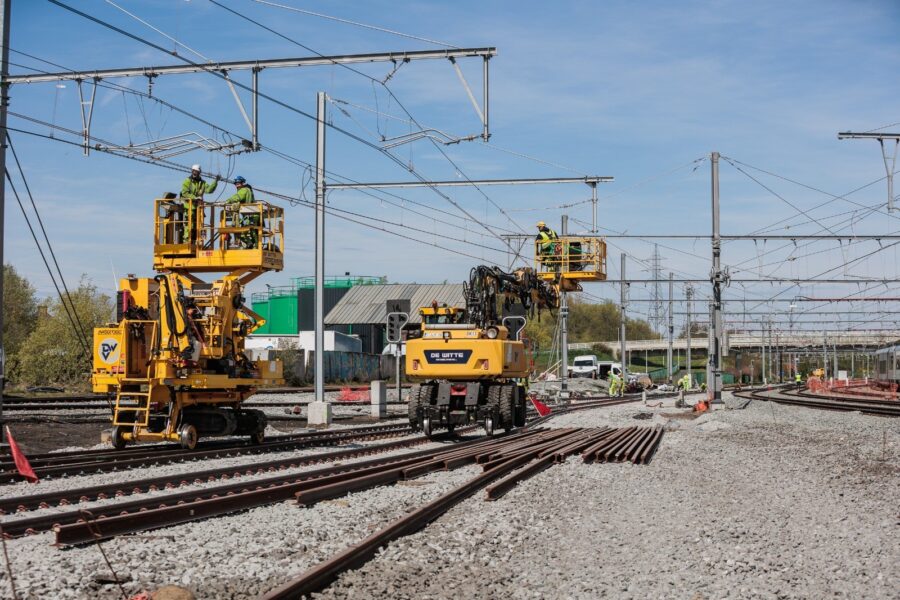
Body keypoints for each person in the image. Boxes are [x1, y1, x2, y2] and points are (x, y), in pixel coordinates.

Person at [179, 165, 219, 244]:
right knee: (189, 224)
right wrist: (195, 198)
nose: (195, 173)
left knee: (199, 225)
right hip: (189, 206)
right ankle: (187, 240)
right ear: (192, 171)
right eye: (194, 171)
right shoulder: (187, 181)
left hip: (198, 207)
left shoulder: (202, 183)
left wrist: (216, 181)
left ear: (199, 172)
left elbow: (209, 190)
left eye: (196, 172)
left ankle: (198, 240)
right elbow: (185, 193)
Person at [226, 176, 257, 249]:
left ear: (242, 183)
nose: (237, 185)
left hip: (250, 214)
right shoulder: (247, 190)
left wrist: (227, 201)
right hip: (250, 214)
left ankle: (254, 245)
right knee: (251, 231)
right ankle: (253, 245)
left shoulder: (244, 190)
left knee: (244, 232)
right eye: (236, 184)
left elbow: (238, 197)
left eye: (238, 183)